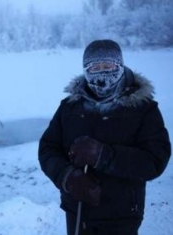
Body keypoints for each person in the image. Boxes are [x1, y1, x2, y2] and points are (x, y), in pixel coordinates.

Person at [38, 39, 171, 235]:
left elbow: (154, 161)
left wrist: (103, 155)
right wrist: (67, 176)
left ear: (120, 66)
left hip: (121, 216)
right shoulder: (69, 107)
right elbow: (48, 149)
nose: (102, 75)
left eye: (108, 66)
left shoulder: (143, 109)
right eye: (94, 68)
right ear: (85, 71)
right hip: (77, 213)